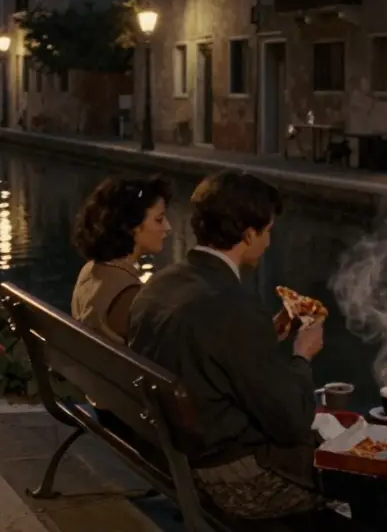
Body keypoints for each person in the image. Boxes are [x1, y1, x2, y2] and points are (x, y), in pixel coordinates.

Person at [127, 171, 331, 521]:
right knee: (370, 479)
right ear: (248, 234)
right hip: (228, 479)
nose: (268, 243)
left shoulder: (160, 283)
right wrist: (302, 355)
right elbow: (292, 422)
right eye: (267, 232)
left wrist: (263, 336)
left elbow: (210, 352)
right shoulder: (232, 304)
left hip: (165, 452)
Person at [70, 175, 172, 344]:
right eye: (159, 219)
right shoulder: (129, 296)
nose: (168, 228)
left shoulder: (90, 269)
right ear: (131, 226)